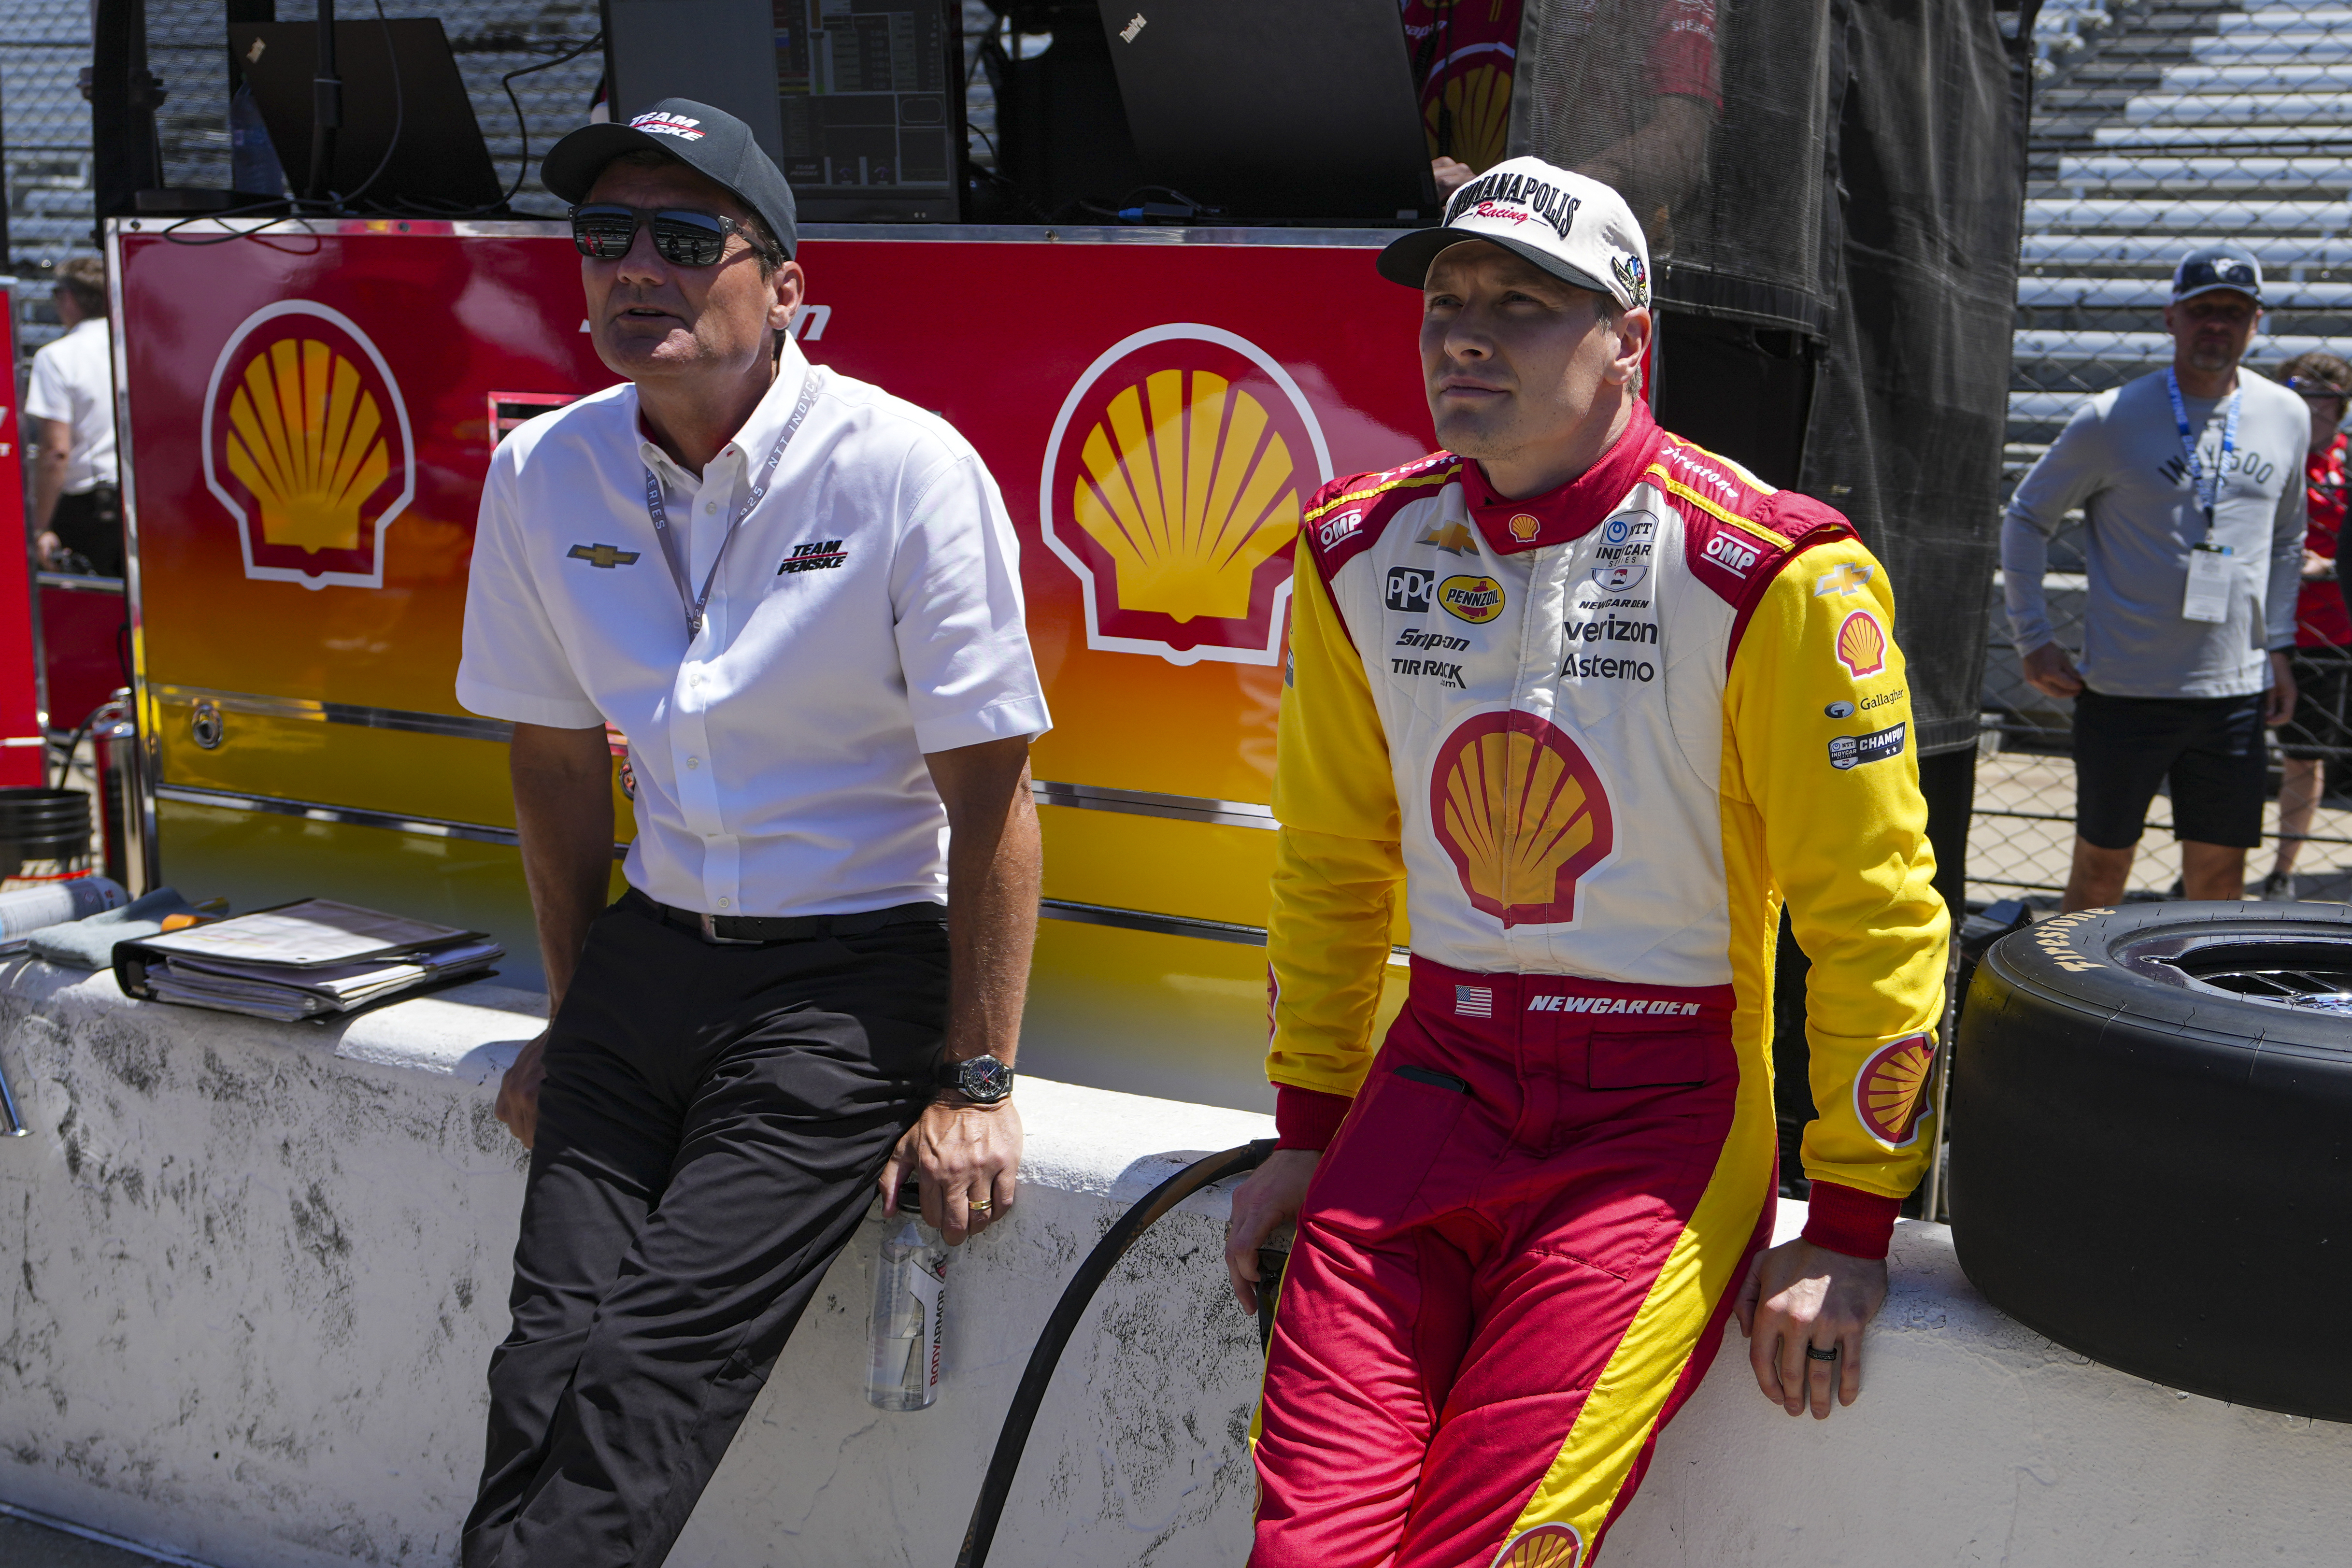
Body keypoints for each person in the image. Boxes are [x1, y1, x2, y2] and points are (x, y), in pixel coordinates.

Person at [1223, 158, 1949, 1567]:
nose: (1468, 337)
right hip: (1430, 1084)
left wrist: (1852, 1213)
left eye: (1525, 304)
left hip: (1661, 1120)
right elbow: (1329, 860)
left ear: (1631, 339)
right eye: (1447, 304)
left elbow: (1873, 915)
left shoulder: (1772, 571)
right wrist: (1306, 1129)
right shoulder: (1356, 551)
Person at [452, 99, 1048, 1568]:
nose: (634, 268)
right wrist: (574, 1006)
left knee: (645, 1381)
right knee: (544, 1368)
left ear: (785, 285)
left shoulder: (906, 468)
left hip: (845, 989)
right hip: (648, 963)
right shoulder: (546, 473)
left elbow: (995, 799)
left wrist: (979, 1076)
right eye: (605, 237)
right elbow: (553, 761)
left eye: (681, 236)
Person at [2005, 244, 2308, 912]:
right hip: (2124, 692)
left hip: (2232, 693)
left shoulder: (2287, 414)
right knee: (2099, 877)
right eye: (2202, 310)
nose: (2216, 325)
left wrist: (2278, 644)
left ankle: (2203, 1015)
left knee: (2218, 885)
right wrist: (2033, 636)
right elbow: (2027, 516)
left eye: (2233, 311)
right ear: (2171, 317)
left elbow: (2289, 538)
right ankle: (2077, 1012)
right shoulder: (2112, 416)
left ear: (2255, 323)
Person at [2261, 350, 2351, 900]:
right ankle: (2213, 856)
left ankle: (2283, 870)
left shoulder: (2348, 463)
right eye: (2305, 393)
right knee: (2233, 754)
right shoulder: (2266, 455)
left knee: (2305, 755)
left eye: (2329, 395)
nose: (2317, 407)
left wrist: (2332, 567)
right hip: (2250, 626)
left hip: (2327, 629)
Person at [22, 257, 122, 577]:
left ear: (68, 298)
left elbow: (56, 451)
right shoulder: (138, 346)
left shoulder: (57, 356)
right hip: (142, 501)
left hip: (87, 508)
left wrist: (39, 527)